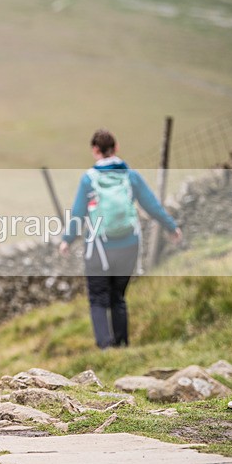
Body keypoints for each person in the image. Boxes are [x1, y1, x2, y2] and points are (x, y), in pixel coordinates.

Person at [59, 129, 181, 349]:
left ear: (95, 151)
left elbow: (78, 214)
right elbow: (151, 205)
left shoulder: (89, 180)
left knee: (98, 298)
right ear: (116, 148)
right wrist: (170, 227)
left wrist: (67, 239)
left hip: (98, 248)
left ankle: (106, 348)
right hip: (128, 245)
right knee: (118, 296)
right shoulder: (130, 177)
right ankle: (122, 345)